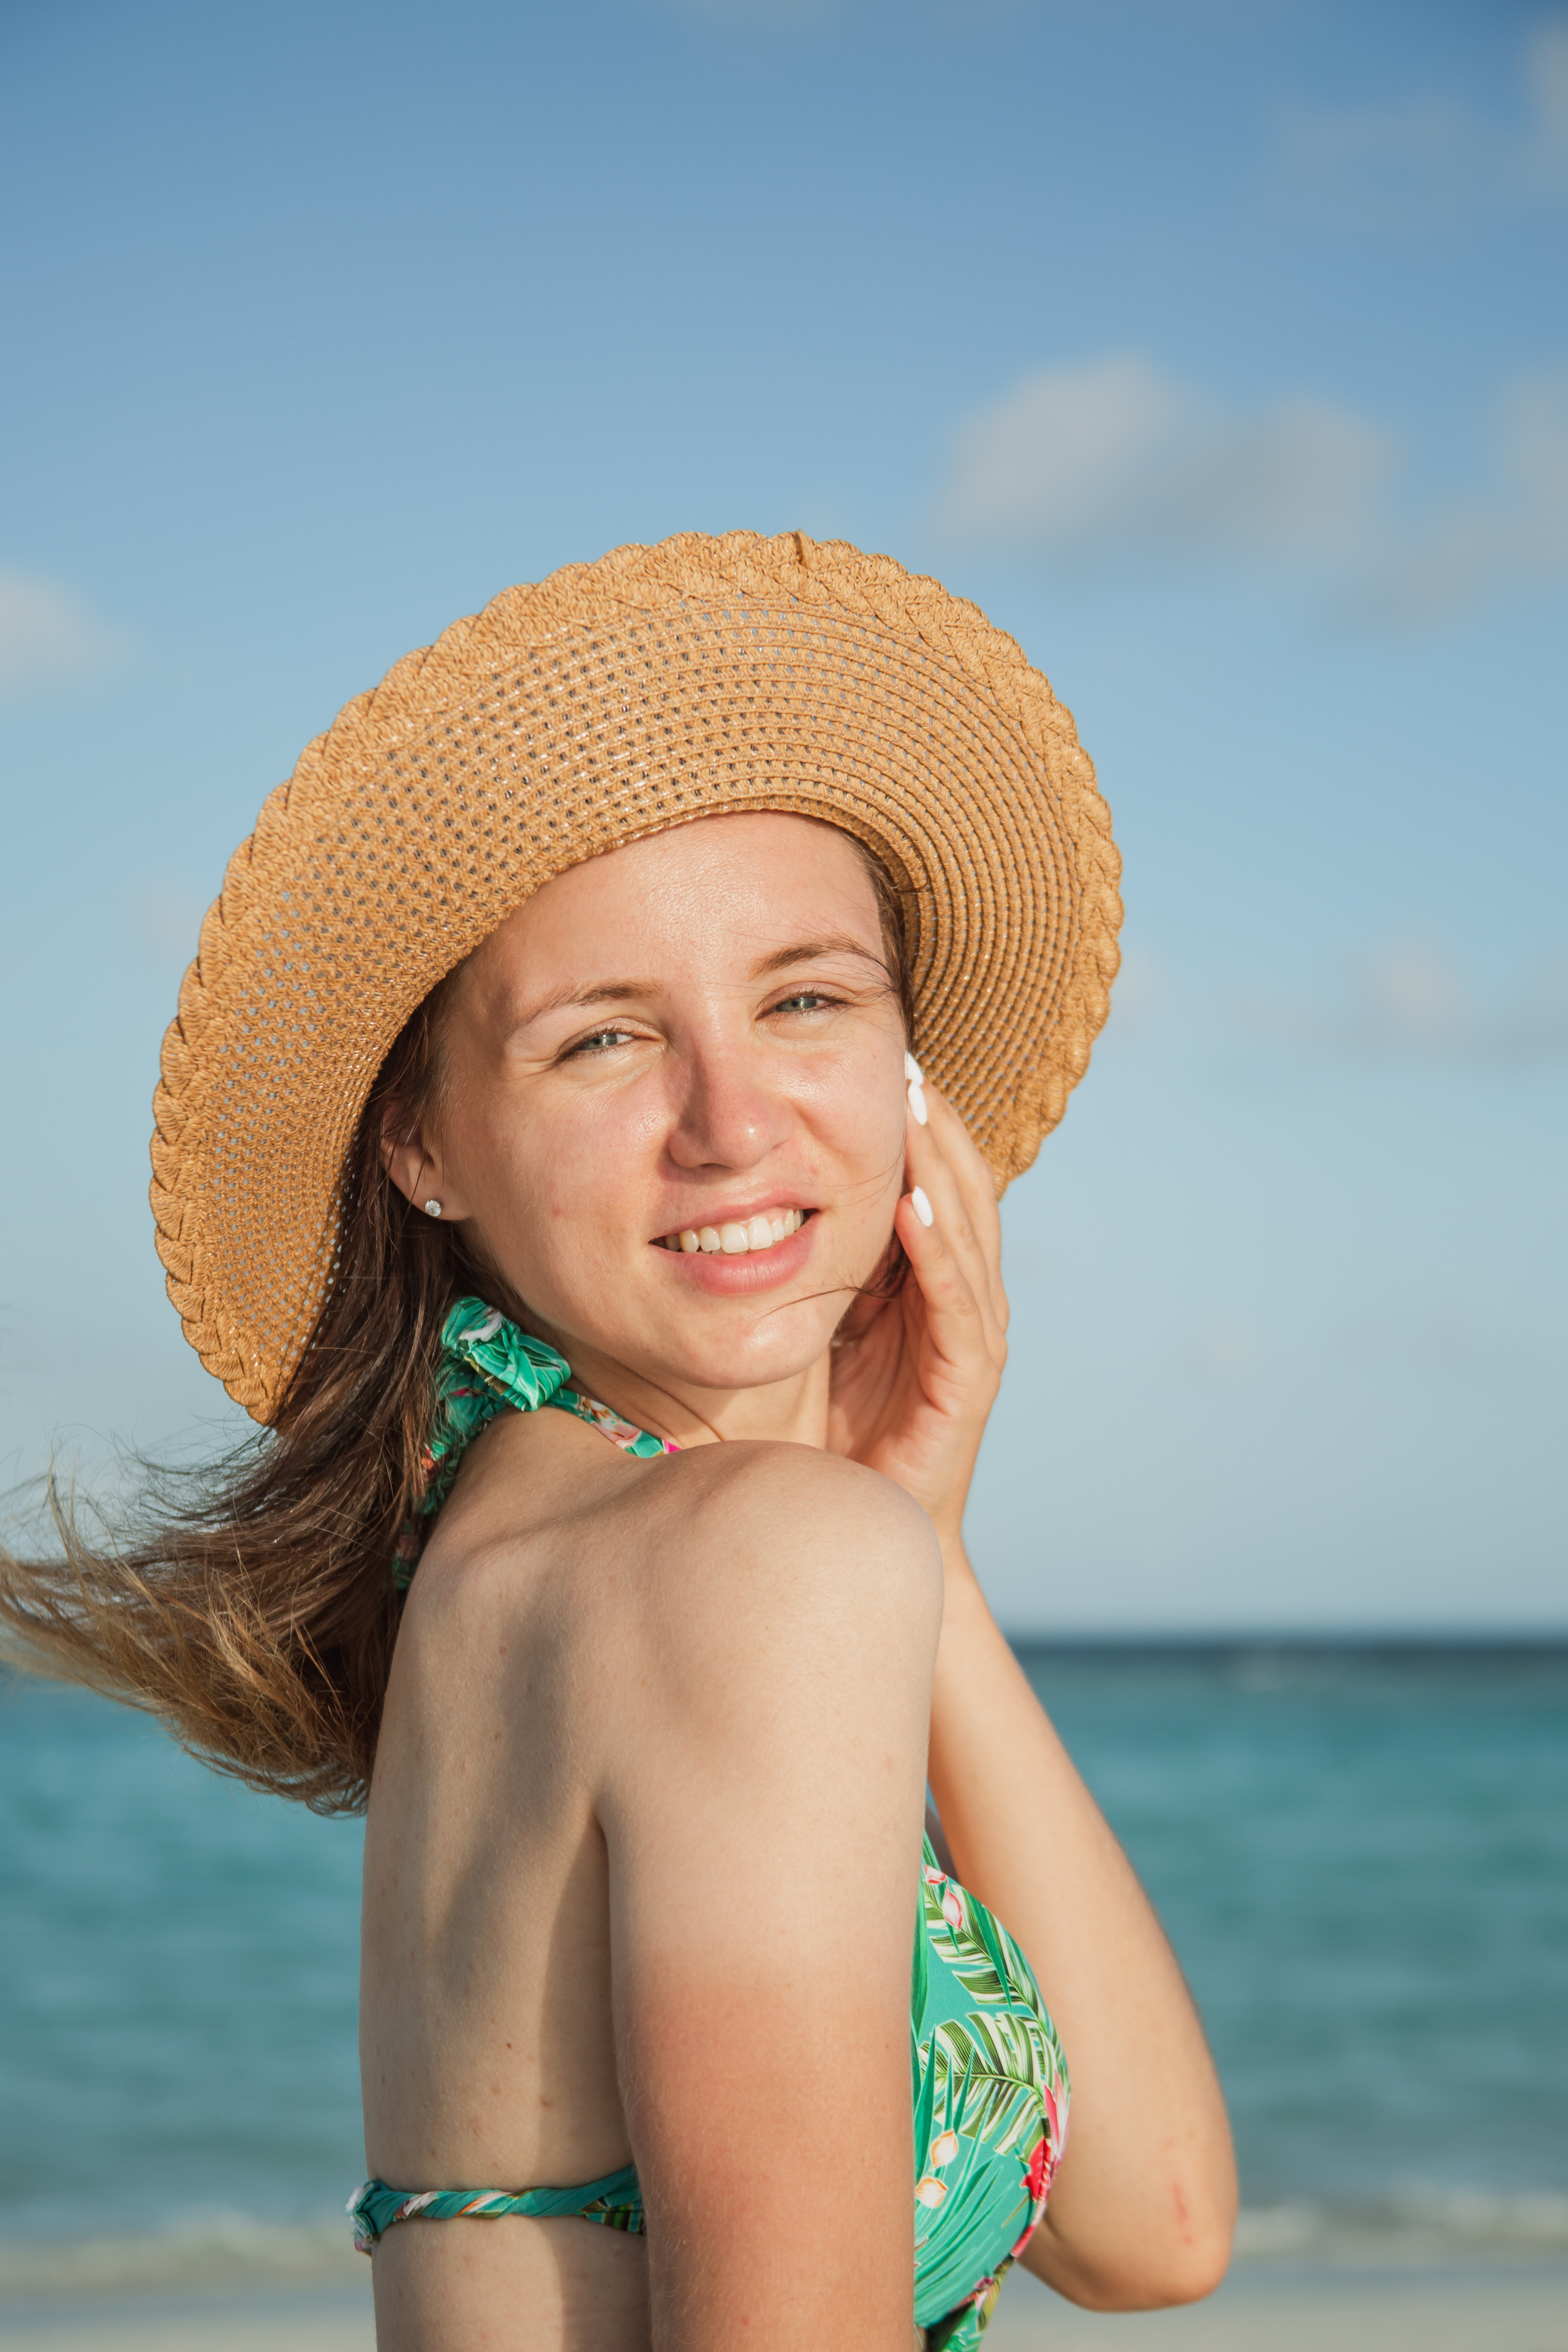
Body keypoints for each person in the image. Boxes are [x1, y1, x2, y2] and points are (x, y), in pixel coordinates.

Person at [2, 532, 1235, 2351]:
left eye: (806, 1000)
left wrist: (922, 1539)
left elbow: (1157, 2226)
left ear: (906, 1073)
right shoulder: (745, 1564)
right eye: (602, 1041)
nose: (734, 1124)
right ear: (421, 1147)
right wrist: (851, 1538)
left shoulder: (526, 1552)